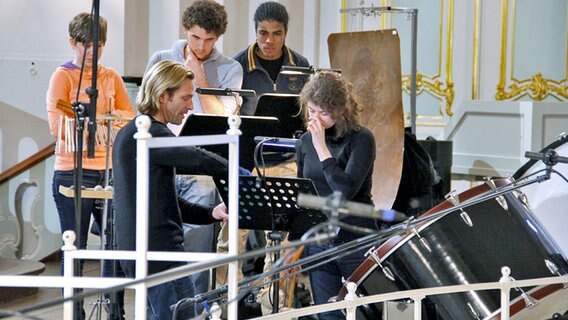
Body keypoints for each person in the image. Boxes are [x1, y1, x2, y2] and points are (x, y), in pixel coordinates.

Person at [112, 60, 232, 320]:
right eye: (185, 97)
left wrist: (211, 213)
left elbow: (165, 201)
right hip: (160, 257)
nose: (190, 106)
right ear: (163, 96)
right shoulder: (152, 135)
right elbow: (201, 159)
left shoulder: (129, 132)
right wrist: (231, 169)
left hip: (141, 255)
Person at [144, 0, 243, 298]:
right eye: (196, 37)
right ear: (186, 30)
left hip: (200, 168)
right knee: (159, 244)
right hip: (161, 163)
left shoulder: (230, 68)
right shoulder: (162, 57)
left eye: (209, 39)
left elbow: (222, 121)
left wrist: (198, 76)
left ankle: (196, 308)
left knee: (198, 248)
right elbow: (148, 108)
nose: (201, 45)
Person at [46, 12, 135, 320]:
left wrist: (97, 125)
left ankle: (116, 310)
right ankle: (75, 313)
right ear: (73, 43)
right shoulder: (63, 76)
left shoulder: (111, 76)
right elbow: (59, 127)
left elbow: (128, 118)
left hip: (109, 170)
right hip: (72, 171)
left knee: (115, 244)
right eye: (86, 45)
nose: (92, 52)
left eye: (99, 45)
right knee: (75, 246)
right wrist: (102, 126)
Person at [296, 71, 377, 320]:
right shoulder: (304, 142)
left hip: (355, 238)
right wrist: (296, 244)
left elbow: (344, 191)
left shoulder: (361, 139)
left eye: (323, 113)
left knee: (363, 312)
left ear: (340, 109)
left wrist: (322, 147)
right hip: (319, 241)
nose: (315, 119)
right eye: (311, 111)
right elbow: (302, 193)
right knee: (327, 314)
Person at [233, 1, 310, 116]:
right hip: (251, 132)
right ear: (256, 32)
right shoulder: (238, 65)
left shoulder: (301, 64)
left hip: (290, 132)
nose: (269, 40)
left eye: (277, 33)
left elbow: (308, 109)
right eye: (263, 33)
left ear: (285, 33)